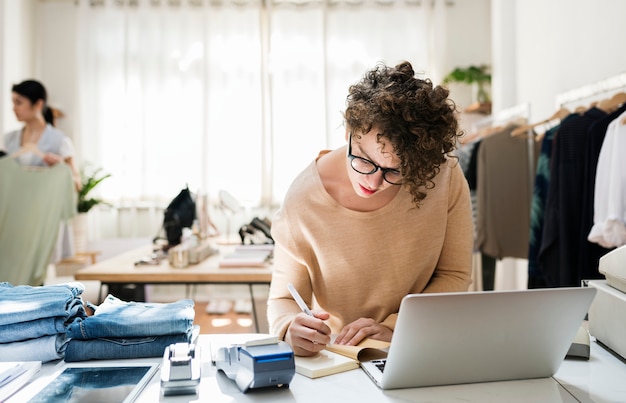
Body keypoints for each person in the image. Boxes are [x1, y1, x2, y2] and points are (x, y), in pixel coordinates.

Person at [267, 61, 474, 357]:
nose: (374, 181)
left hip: (422, 345)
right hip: (338, 356)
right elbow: (284, 299)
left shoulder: (443, 176)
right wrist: (290, 328)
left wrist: (396, 326)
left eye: (396, 171)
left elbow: (454, 274)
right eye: (364, 160)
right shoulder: (302, 200)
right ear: (349, 131)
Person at [4, 79, 81, 190]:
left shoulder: (60, 141)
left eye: (19, 103)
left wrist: (61, 167)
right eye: (13, 103)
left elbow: (77, 185)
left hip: (47, 206)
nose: (14, 108)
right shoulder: (9, 139)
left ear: (38, 104)